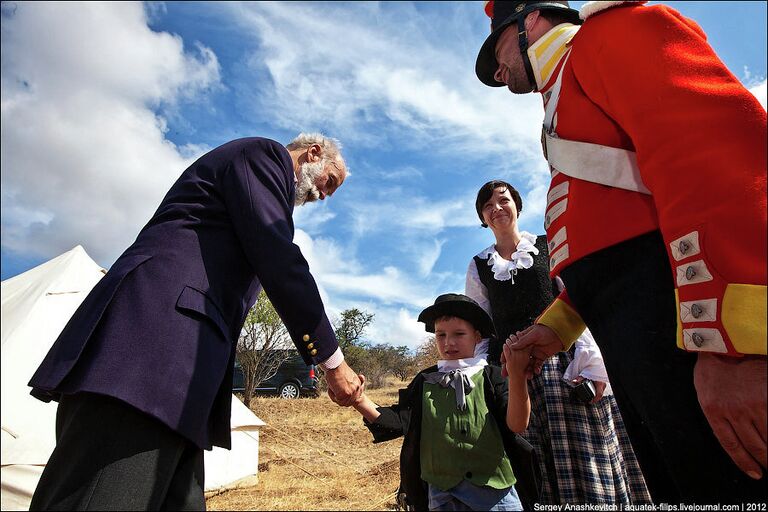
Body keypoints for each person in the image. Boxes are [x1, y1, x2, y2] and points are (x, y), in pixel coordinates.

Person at [474, 0, 766, 503]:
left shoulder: (617, 33)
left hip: (696, 339)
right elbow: (619, 250)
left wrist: (736, 350)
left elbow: (718, 163)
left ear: (532, 21)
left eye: (497, 47)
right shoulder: (562, 96)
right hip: (644, 346)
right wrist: (559, 326)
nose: (498, 73)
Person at [27, 133, 364, 510]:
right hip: (150, 354)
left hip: (185, 384)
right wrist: (333, 362)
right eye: (329, 182)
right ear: (313, 152)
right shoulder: (262, 155)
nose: (324, 196)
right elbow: (279, 258)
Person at [465, 179, 650, 505]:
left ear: (517, 206)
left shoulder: (548, 245)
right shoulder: (478, 265)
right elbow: (481, 324)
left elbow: (577, 300)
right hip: (512, 370)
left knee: (584, 449)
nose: (497, 209)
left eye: (503, 200)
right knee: (530, 456)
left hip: (563, 361)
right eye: (488, 205)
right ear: (483, 218)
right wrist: (482, 375)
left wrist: (592, 363)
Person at [343, 293, 537, 511]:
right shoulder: (424, 381)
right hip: (441, 498)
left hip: (496, 496)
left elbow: (518, 425)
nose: (449, 342)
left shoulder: (493, 377)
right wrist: (358, 400)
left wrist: (517, 376)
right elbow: (399, 422)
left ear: (477, 337)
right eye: (440, 335)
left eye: (459, 334)